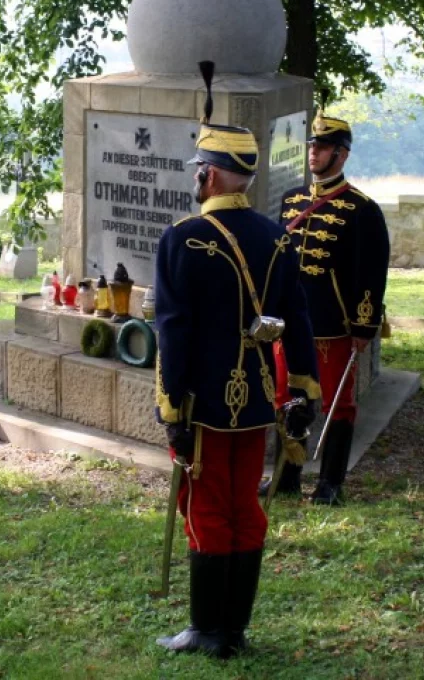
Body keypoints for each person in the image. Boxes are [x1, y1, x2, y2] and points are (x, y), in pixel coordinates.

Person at [154, 66, 321, 659]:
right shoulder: (278, 237)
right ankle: (236, 629)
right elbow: (296, 323)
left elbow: (172, 332)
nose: (195, 178)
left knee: (205, 507)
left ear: (209, 172)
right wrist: (301, 393)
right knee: (245, 505)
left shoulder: (182, 237)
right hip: (254, 399)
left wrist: (172, 405)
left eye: (199, 170)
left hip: (201, 400)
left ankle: (207, 630)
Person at [266, 111, 390, 505]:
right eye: (311, 146)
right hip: (290, 325)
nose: (313, 153)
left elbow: (372, 274)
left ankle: (331, 483)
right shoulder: (292, 201)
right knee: (286, 398)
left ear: (342, 154)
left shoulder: (361, 209)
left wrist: (363, 327)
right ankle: (286, 476)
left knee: (338, 403)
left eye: (321, 147)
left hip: (332, 324)